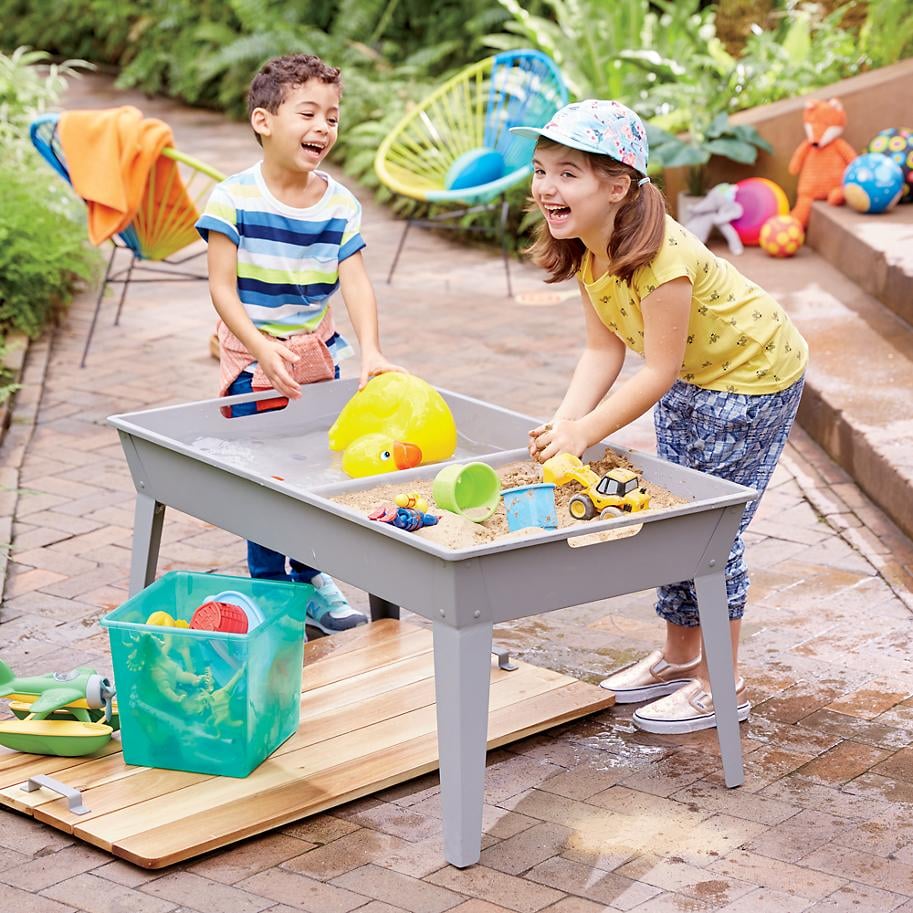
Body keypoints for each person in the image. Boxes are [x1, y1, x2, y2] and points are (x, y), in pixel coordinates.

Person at [511, 100, 808, 735]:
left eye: (567, 173)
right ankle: (678, 659)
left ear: (617, 187)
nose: (545, 187)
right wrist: (561, 429)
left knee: (710, 528)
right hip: (699, 375)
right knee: (672, 517)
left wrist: (586, 432)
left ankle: (718, 683)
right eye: (540, 170)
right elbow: (603, 350)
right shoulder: (589, 250)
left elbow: (656, 372)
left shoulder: (660, 261)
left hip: (752, 377)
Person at [196, 53, 402, 634]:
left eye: (333, 117)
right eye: (308, 112)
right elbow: (221, 288)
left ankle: (309, 578)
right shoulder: (232, 199)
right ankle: (268, 587)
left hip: (318, 352)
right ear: (264, 121)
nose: (323, 128)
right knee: (264, 473)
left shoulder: (340, 205)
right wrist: (260, 347)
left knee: (315, 466)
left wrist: (373, 350)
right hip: (251, 356)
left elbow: (356, 282)